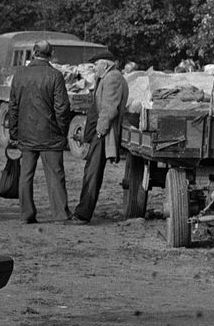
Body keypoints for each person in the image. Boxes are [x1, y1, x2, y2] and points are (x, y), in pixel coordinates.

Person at [8, 39, 71, 224]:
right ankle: (60, 214)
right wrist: (62, 130)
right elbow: (62, 108)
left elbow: (13, 106)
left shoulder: (19, 74)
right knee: (55, 175)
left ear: (34, 52)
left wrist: (14, 133)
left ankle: (26, 214)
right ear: (50, 54)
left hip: (26, 134)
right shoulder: (55, 75)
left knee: (25, 175)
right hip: (51, 135)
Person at [72, 57, 129, 223]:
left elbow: (109, 109)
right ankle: (82, 211)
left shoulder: (113, 78)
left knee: (93, 173)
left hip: (104, 133)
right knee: (91, 171)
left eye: (96, 65)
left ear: (105, 65)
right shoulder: (107, 77)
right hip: (100, 132)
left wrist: (100, 131)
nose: (94, 68)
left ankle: (83, 214)